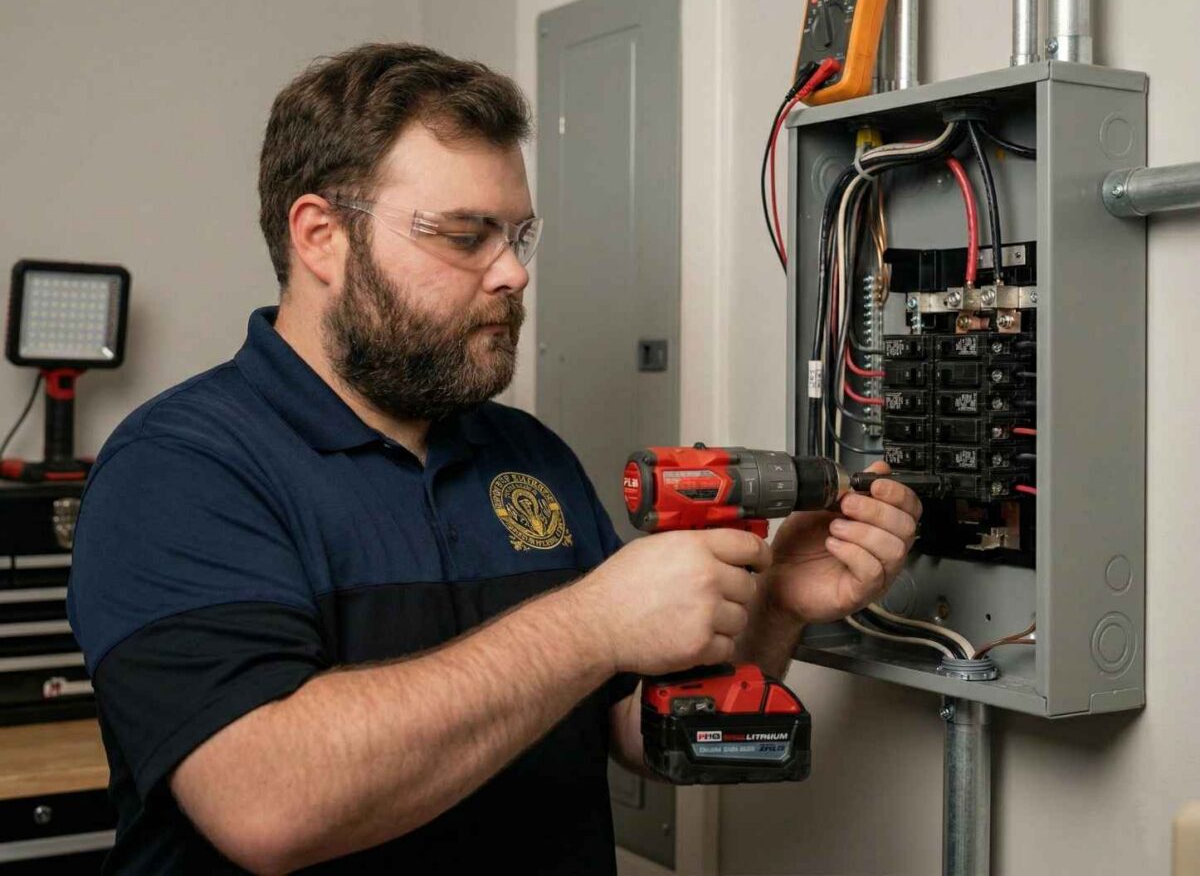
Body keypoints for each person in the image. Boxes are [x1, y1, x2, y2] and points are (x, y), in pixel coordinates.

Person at [67, 43, 920, 875]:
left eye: (518, 237)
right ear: (321, 236)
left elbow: (641, 735)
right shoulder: (179, 468)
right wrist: (589, 625)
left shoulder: (528, 455)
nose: (512, 274)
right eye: (465, 235)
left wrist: (774, 604)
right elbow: (267, 805)